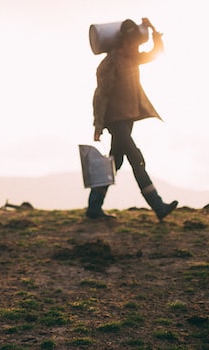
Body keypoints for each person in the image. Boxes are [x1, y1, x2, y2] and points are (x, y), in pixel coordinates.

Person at [87, 18, 178, 221]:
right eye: (133, 44)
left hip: (127, 119)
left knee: (115, 162)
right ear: (123, 42)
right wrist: (98, 125)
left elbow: (157, 53)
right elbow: (100, 96)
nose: (136, 47)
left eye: (138, 44)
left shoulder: (133, 58)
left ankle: (94, 207)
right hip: (115, 121)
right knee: (136, 158)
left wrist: (154, 31)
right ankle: (158, 205)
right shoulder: (110, 63)